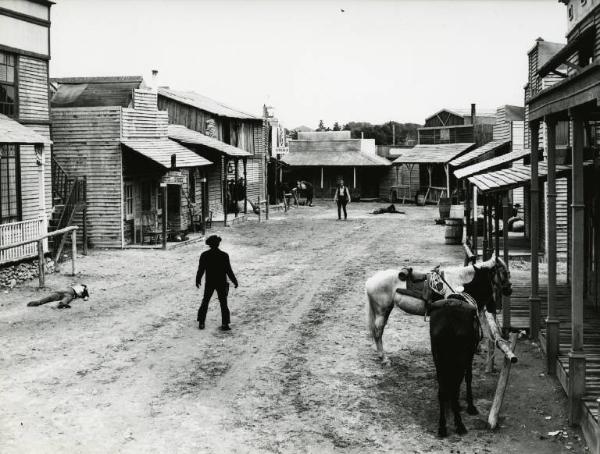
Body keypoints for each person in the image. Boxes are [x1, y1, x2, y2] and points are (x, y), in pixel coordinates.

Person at [195, 235, 238, 331]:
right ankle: (225, 324)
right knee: (223, 303)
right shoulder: (224, 255)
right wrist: (234, 281)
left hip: (210, 281)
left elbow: (201, 270)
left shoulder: (204, 255)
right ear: (218, 244)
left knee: (205, 301)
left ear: (209, 245)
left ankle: (201, 322)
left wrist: (198, 280)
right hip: (221, 282)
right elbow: (229, 271)